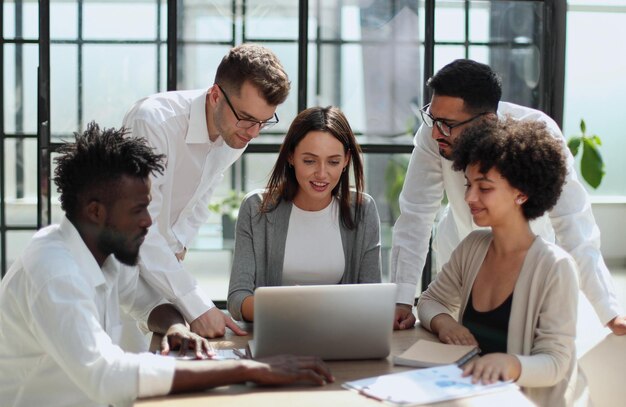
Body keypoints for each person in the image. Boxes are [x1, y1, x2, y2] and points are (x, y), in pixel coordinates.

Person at [0, 123, 333, 407]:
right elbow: (108, 375)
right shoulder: (55, 272)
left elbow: (144, 299)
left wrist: (175, 327)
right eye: (138, 210)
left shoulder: (101, 250)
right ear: (95, 211)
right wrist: (249, 369)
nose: (148, 221)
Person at [391, 59, 626, 334]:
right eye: (432, 118)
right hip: (457, 251)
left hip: (528, 257)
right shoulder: (435, 134)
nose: (435, 132)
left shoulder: (537, 132)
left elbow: (574, 223)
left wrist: (610, 311)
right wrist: (402, 300)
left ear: (487, 120)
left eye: (446, 124)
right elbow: (416, 214)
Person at [122, 43, 291, 338]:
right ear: (215, 96)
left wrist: (179, 245)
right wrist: (198, 305)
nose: (252, 133)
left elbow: (202, 196)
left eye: (263, 123)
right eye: (247, 118)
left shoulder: (235, 133)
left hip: (161, 266)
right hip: (118, 266)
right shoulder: (153, 123)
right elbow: (137, 228)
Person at [417, 118, 582, 407]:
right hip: (474, 397)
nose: (469, 197)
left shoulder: (555, 267)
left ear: (521, 193)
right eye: (469, 184)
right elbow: (430, 301)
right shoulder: (473, 247)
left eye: (484, 188)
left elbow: (555, 362)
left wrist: (509, 364)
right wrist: (446, 324)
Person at [227, 106, 382, 321]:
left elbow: (372, 297)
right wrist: (285, 308)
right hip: (276, 337)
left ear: (346, 160)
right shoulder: (256, 208)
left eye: (333, 162)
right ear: (291, 156)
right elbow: (237, 299)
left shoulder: (363, 210)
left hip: (341, 337)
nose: (321, 174)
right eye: (309, 161)